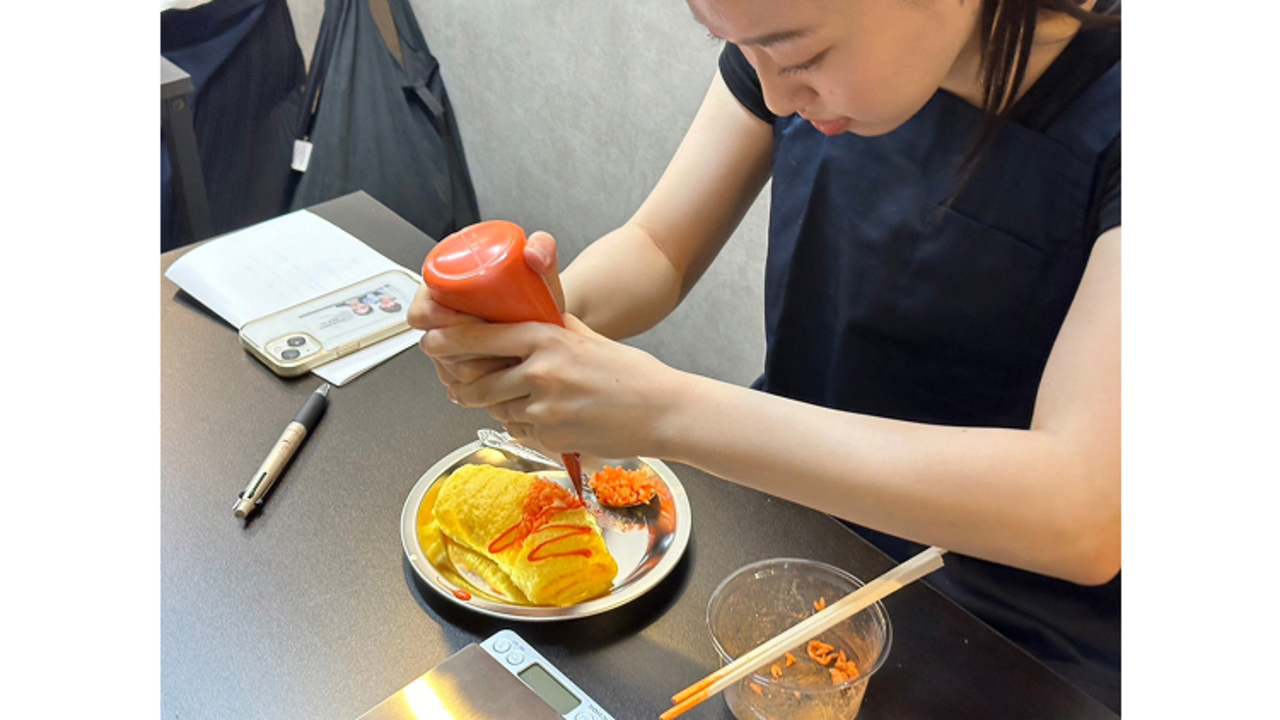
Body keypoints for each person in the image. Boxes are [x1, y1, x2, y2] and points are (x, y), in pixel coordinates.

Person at [409, 0, 1121, 711]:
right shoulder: (789, 45)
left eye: (801, 56)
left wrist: (666, 411)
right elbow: (660, 246)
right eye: (737, 47)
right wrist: (538, 320)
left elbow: (1083, 511)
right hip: (794, 534)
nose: (776, 95)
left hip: (1012, 622)